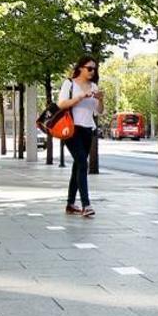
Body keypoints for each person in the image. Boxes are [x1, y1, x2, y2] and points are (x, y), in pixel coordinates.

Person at [57, 56, 104, 217]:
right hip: (71, 129)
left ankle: (70, 203)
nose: (92, 71)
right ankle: (86, 204)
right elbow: (61, 104)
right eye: (89, 68)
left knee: (78, 165)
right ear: (81, 68)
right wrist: (81, 97)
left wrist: (100, 99)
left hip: (87, 129)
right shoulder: (69, 84)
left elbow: (99, 111)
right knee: (83, 163)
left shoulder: (94, 86)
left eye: (94, 69)